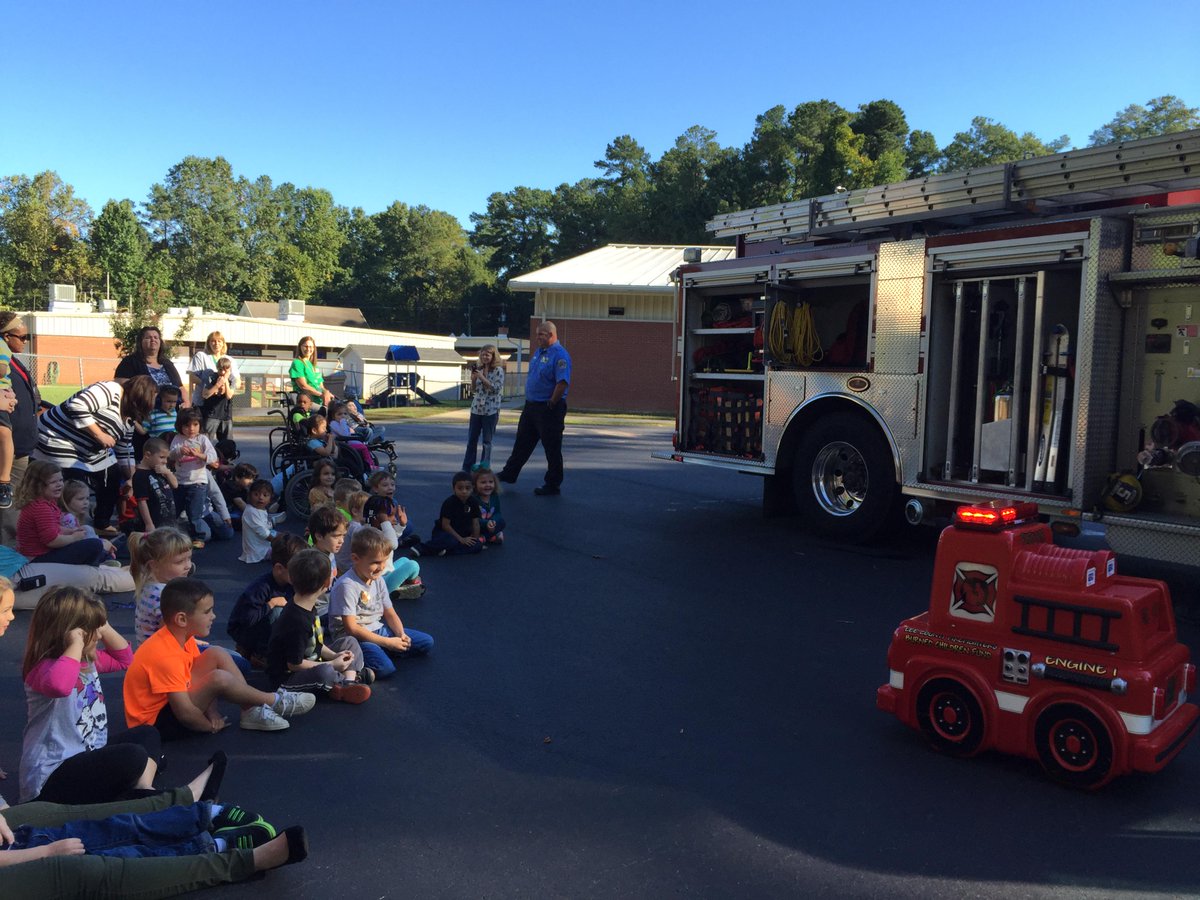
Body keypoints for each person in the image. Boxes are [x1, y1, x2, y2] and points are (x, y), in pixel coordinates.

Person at [0, 788, 308, 893]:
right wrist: (46, 852)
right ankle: (222, 852)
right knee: (102, 864)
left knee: (113, 826)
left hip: (19, 839)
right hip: (19, 860)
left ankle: (206, 813)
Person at [18, 586, 164, 805]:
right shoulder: (41, 669)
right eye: (92, 630)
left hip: (86, 753)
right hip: (50, 776)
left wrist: (101, 624)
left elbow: (125, 659)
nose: (98, 635)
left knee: (146, 735)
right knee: (133, 757)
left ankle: (143, 790)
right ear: (69, 633)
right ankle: (134, 788)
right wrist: (76, 644)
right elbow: (60, 686)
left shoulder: (86, 661)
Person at [123, 577, 316, 736]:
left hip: (170, 706)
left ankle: (250, 710)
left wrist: (213, 712)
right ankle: (274, 701)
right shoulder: (165, 655)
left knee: (216, 653)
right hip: (154, 725)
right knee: (219, 678)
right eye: (207, 612)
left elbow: (194, 676)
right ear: (182, 619)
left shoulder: (181, 636)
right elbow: (185, 714)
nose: (213, 616)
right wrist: (209, 725)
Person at [35, 375, 158, 533]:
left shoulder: (129, 419)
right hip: (57, 439)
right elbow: (76, 406)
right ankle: (67, 526)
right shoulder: (110, 390)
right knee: (75, 488)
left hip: (91, 451)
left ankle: (102, 522)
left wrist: (132, 479)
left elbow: (125, 449)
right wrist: (99, 434)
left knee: (112, 479)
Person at [266, 549, 371, 703]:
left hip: (313, 659)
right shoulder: (297, 621)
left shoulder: (307, 605)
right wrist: (332, 663)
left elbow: (315, 644)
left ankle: (347, 682)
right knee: (325, 672)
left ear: (292, 579)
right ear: (327, 583)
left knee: (349, 642)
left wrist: (335, 656)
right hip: (287, 679)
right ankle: (345, 680)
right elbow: (294, 664)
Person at [328, 526, 433, 679]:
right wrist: (388, 642)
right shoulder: (347, 585)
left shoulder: (377, 579)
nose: (381, 567)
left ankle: (383, 649)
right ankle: (359, 667)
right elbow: (352, 628)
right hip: (354, 638)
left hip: (376, 629)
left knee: (426, 642)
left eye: (384, 561)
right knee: (385, 668)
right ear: (356, 559)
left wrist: (400, 634)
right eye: (376, 562)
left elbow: (389, 612)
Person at [497, 321, 571, 496]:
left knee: (551, 447)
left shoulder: (560, 355)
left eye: (541, 335)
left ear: (551, 335)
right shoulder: (539, 352)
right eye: (537, 334)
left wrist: (552, 402)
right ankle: (509, 473)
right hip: (531, 406)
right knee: (522, 442)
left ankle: (553, 484)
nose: (537, 338)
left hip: (548, 407)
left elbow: (562, 383)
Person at [227, 533, 305, 667]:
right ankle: (259, 653)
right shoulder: (261, 587)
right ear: (279, 569)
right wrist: (271, 603)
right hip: (245, 630)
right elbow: (247, 619)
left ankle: (277, 650)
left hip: (267, 629)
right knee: (278, 612)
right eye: (296, 571)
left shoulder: (292, 584)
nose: (300, 575)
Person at [16, 462, 111, 567]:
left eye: (61, 480)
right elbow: (51, 541)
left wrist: (71, 531)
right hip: (37, 558)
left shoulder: (48, 502)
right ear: (38, 485)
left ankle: (102, 555)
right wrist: (75, 537)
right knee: (94, 545)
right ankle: (102, 557)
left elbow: (54, 527)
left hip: (45, 553)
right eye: (53, 482)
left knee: (86, 530)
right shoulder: (40, 508)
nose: (59, 485)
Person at [0, 314, 39, 548]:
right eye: (23, 337)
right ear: (6, 336)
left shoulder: (12, 358)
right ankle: (6, 551)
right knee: (6, 501)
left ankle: (11, 548)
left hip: (20, 444)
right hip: (6, 442)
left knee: (15, 499)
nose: (25, 341)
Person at [131, 527, 195, 649]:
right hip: (161, 657)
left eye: (189, 558)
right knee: (220, 655)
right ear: (154, 565)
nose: (188, 566)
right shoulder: (164, 595)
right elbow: (170, 636)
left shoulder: (150, 587)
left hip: (150, 652)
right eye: (179, 562)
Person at [169, 409, 217, 550]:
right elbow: (171, 455)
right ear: (180, 426)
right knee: (176, 510)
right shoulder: (178, 439)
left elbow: (213, 457)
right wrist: (179, 451)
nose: (191, 429)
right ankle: (174, 535)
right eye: (187, 426)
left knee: (194, 512)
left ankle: (198, 537)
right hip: (179, 482)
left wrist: (200, 455)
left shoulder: (202, 439)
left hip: (197, 482)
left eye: (195, 425)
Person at [362, 496, 424, 600]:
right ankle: (398, 589)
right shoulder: (370, 534)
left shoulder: (373, 529)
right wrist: (385, 522)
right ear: (379, 517)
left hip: (385, 574)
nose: (394, 519)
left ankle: (399, 587)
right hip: (378, 582)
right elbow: (393, 544)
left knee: (405, 560)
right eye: (390, 516)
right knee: (413, 565)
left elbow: (393, 538)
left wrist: (402, 525)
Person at [415, 471, 483, 557]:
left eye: (467, 488)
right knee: (450, 541)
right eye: (460, 488)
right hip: (445, 533)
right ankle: (422, 548)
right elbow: (445, 525)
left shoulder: (473, 502)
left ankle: (445, 550)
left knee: (478, 546)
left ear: (472, 488)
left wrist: (475, 540)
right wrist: (461, 539)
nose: (464, 491)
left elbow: (476, 523)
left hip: (462, 534)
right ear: (454, 488)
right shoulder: (449, 503)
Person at [462, 343, 505, 471]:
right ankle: (467, 467)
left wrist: (481, 377)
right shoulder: (479, 368)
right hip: (476, 409)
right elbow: (474, 390)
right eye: (483, 354)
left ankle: (484, 467)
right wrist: (474, 379)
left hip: (490, 410)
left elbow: (495, 389)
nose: (485, 357)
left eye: (488, 354)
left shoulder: (498, 370)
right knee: (472, 440)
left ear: (493, 356)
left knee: (487, 442)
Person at [114, 326, 186, 398]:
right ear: (140, 342)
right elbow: (119, 382)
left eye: (156, 337)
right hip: (143, 407)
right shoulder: (130, 362)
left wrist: (186, 402)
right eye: (148, 338)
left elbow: (180, 387)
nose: (153, 339)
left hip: (172, 408)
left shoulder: (167, 363)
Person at [59, 480, 119, 561]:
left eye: (87, 498)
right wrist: (103, 544)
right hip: (75, 552)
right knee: (88, 529)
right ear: (67, 500)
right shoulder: (68, 518)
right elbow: (81, 540)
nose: (86, 502)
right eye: (80, 499)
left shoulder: (74, 516)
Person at [188, 332, 241, 422]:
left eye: (219, 341)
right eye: (213, 341)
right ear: (208, 343)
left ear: (223, 343)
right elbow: (192, 377)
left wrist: (229, 387)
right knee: (204, 433)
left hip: (222, 407)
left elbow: (238, 381)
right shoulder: (201, 356)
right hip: (203, 403)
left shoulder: (230, 360)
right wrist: (211, 387)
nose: (216, 343)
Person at [130, 438, 180, 534]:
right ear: (148, 455)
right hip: (156, 521)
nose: (165, 461)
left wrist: (168, 473)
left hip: (170, 519)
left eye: (166, 458)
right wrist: (149, 524)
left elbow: (175, 485)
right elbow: (142, 501)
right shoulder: (140, 475)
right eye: (161, 457)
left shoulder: (160, 469)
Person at [304, 414, 364, 482]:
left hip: (328, 461)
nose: (326, 430)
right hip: (321, 464)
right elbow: (326, 453)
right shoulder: (312, 442)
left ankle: (361, 475)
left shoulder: (319, 441)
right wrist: (329, 440)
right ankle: (360, 477)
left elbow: (335, 454)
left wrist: (332, 441)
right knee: (347, 462)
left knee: (349, 457)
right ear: (314, 430)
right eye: (323, 428)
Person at [327, 401, 375, 474]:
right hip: (342, 444)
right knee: (363, 447)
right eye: (339, 414)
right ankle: (370, 464)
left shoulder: (341, 423)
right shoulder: (333, 423)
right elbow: (344, 434)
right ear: (334, 416)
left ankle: (368, 463)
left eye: (345, 414)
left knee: (364, 445)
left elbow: (348, 432)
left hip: (347, 441)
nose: (342, 416)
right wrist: (343, 422)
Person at [198, 356, 236, 443]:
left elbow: (229, 395)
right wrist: (217, 385)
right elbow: (205, 394)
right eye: (220, 370)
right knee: (206, 441)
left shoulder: (232, 379)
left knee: (227, 443)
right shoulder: (211, 377)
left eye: (225, 370)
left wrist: (225, 381)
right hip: (211, 414)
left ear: (229, 370)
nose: (222, 372)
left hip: (226, 415)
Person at [239, 480, 277, 564]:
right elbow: (262, 532)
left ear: (270, 498)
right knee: (284, 551)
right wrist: (277, 541)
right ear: (249, 495)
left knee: (283, 536)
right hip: (258, 551)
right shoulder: (251, 512)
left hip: (262, 544)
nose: (260, 497)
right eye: (256, 494)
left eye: (265, 495)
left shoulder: (260, 509)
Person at [289, 336, 332, 408]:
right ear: (300, 347)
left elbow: (321, 386)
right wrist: (321, 395)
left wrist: (326, 393)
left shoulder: (314, 366)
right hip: (306, 401)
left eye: (311, 347)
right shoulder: (297, 363)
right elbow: (303, 386)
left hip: (319, 400)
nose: (308, 349)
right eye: (305, 346)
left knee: (339, 408)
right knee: (328, 412)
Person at [473, 466, 506, 545]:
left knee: (502, 522)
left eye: (491, 482)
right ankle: (490, 536)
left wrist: (493, 521)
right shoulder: (473, 499)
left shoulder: (494, 496)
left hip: (491, 525)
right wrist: (486, 523)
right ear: (475, 484)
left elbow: (498, 513)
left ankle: (484, 537)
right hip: (478, 525)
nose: (488, 485)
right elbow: (473, 519)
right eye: (483, 482)